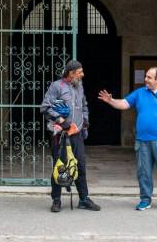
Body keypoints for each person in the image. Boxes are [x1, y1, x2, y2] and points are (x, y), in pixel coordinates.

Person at [98, 67, 157, 211]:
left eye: (149, 77)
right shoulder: (140, 93)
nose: (146, 80)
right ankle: (145, 199)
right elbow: (124, 103)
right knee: (143, 172)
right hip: (142, 141)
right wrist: (111, 101)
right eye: (146, 77)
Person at [40, 60, 101, 213]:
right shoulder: (56, 86)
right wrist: (62, 122)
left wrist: (85, 123)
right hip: (60, 135)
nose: (82, 74)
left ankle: (84, 199)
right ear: (71, 73)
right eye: (80, 72)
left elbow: (84, 105)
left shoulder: (79, 86)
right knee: (59, 166)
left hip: (77, 134)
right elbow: (45, 108)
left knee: (80, 166)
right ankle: (56, 200)